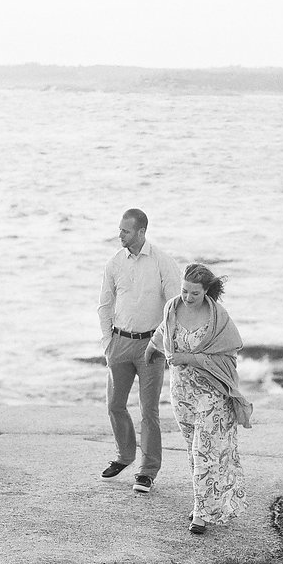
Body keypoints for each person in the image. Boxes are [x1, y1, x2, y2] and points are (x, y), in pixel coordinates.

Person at [146, 263, 251, 535]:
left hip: (211, 392)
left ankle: (201, 514)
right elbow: (163, 330)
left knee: (204, 451)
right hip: (182, 393)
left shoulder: (218, 318)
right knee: (194, 451)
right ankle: (203, 502)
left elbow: (228, 354)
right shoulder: (173, 307)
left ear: (207, 292)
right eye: (184, 291)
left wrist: (188, 358)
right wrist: (152, 349)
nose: (187, 297)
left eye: (194, 293)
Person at [97, 208, 181, 493]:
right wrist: (108, 342)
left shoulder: (163, 262)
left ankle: (147, 471)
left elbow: (174, 307)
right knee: (114, 405)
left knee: (149, 410)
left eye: (125, 231)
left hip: (151, 346)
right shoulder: (114, 263)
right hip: (119, 342)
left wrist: (162, 342)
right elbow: (105, 305)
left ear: (141, 232)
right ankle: (125, 456)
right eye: (120, 229)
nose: (119, 234)